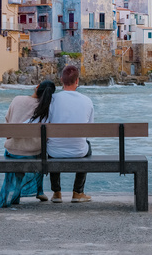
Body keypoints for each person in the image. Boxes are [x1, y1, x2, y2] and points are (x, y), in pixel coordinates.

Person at [0, 80, 56, 208]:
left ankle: (12, 194)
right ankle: (39, 191)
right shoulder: (47, 108)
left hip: (13, 152)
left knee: (19, 154)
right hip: (35, 153)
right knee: (42, 152)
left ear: (37, 87)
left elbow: (7, 133)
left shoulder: (17, 100)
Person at [47, 65, 94, 203]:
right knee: (88, 146)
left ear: (61, 79)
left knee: (51, 143)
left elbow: (46, 123)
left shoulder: (52, 100)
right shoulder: (87, 101)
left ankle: (56, 193)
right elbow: (89, 130)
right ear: (77, 81)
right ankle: (78, 192)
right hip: (79, 151)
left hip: (54, 151)